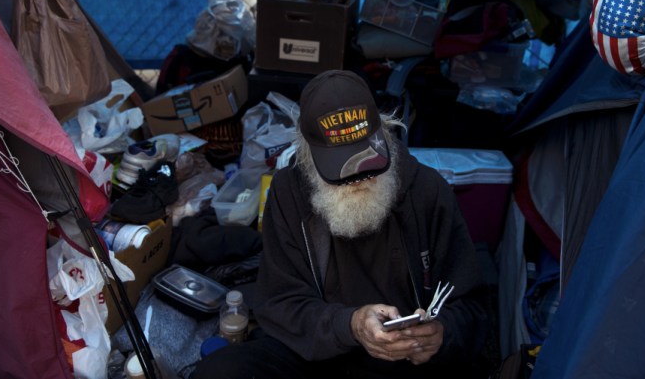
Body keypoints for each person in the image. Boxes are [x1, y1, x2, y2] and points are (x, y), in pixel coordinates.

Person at [192, 69, 490, 379]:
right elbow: (279, 303)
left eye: (367, 163)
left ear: (385, 132)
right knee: (221, 371)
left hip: (405, 364)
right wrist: (351, 325)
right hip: (320, 354)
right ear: (308, 154)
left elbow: (472, 307)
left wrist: (442, 333)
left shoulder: (428, 191)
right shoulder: (289, 192)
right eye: (342, 170)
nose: (359, 177)